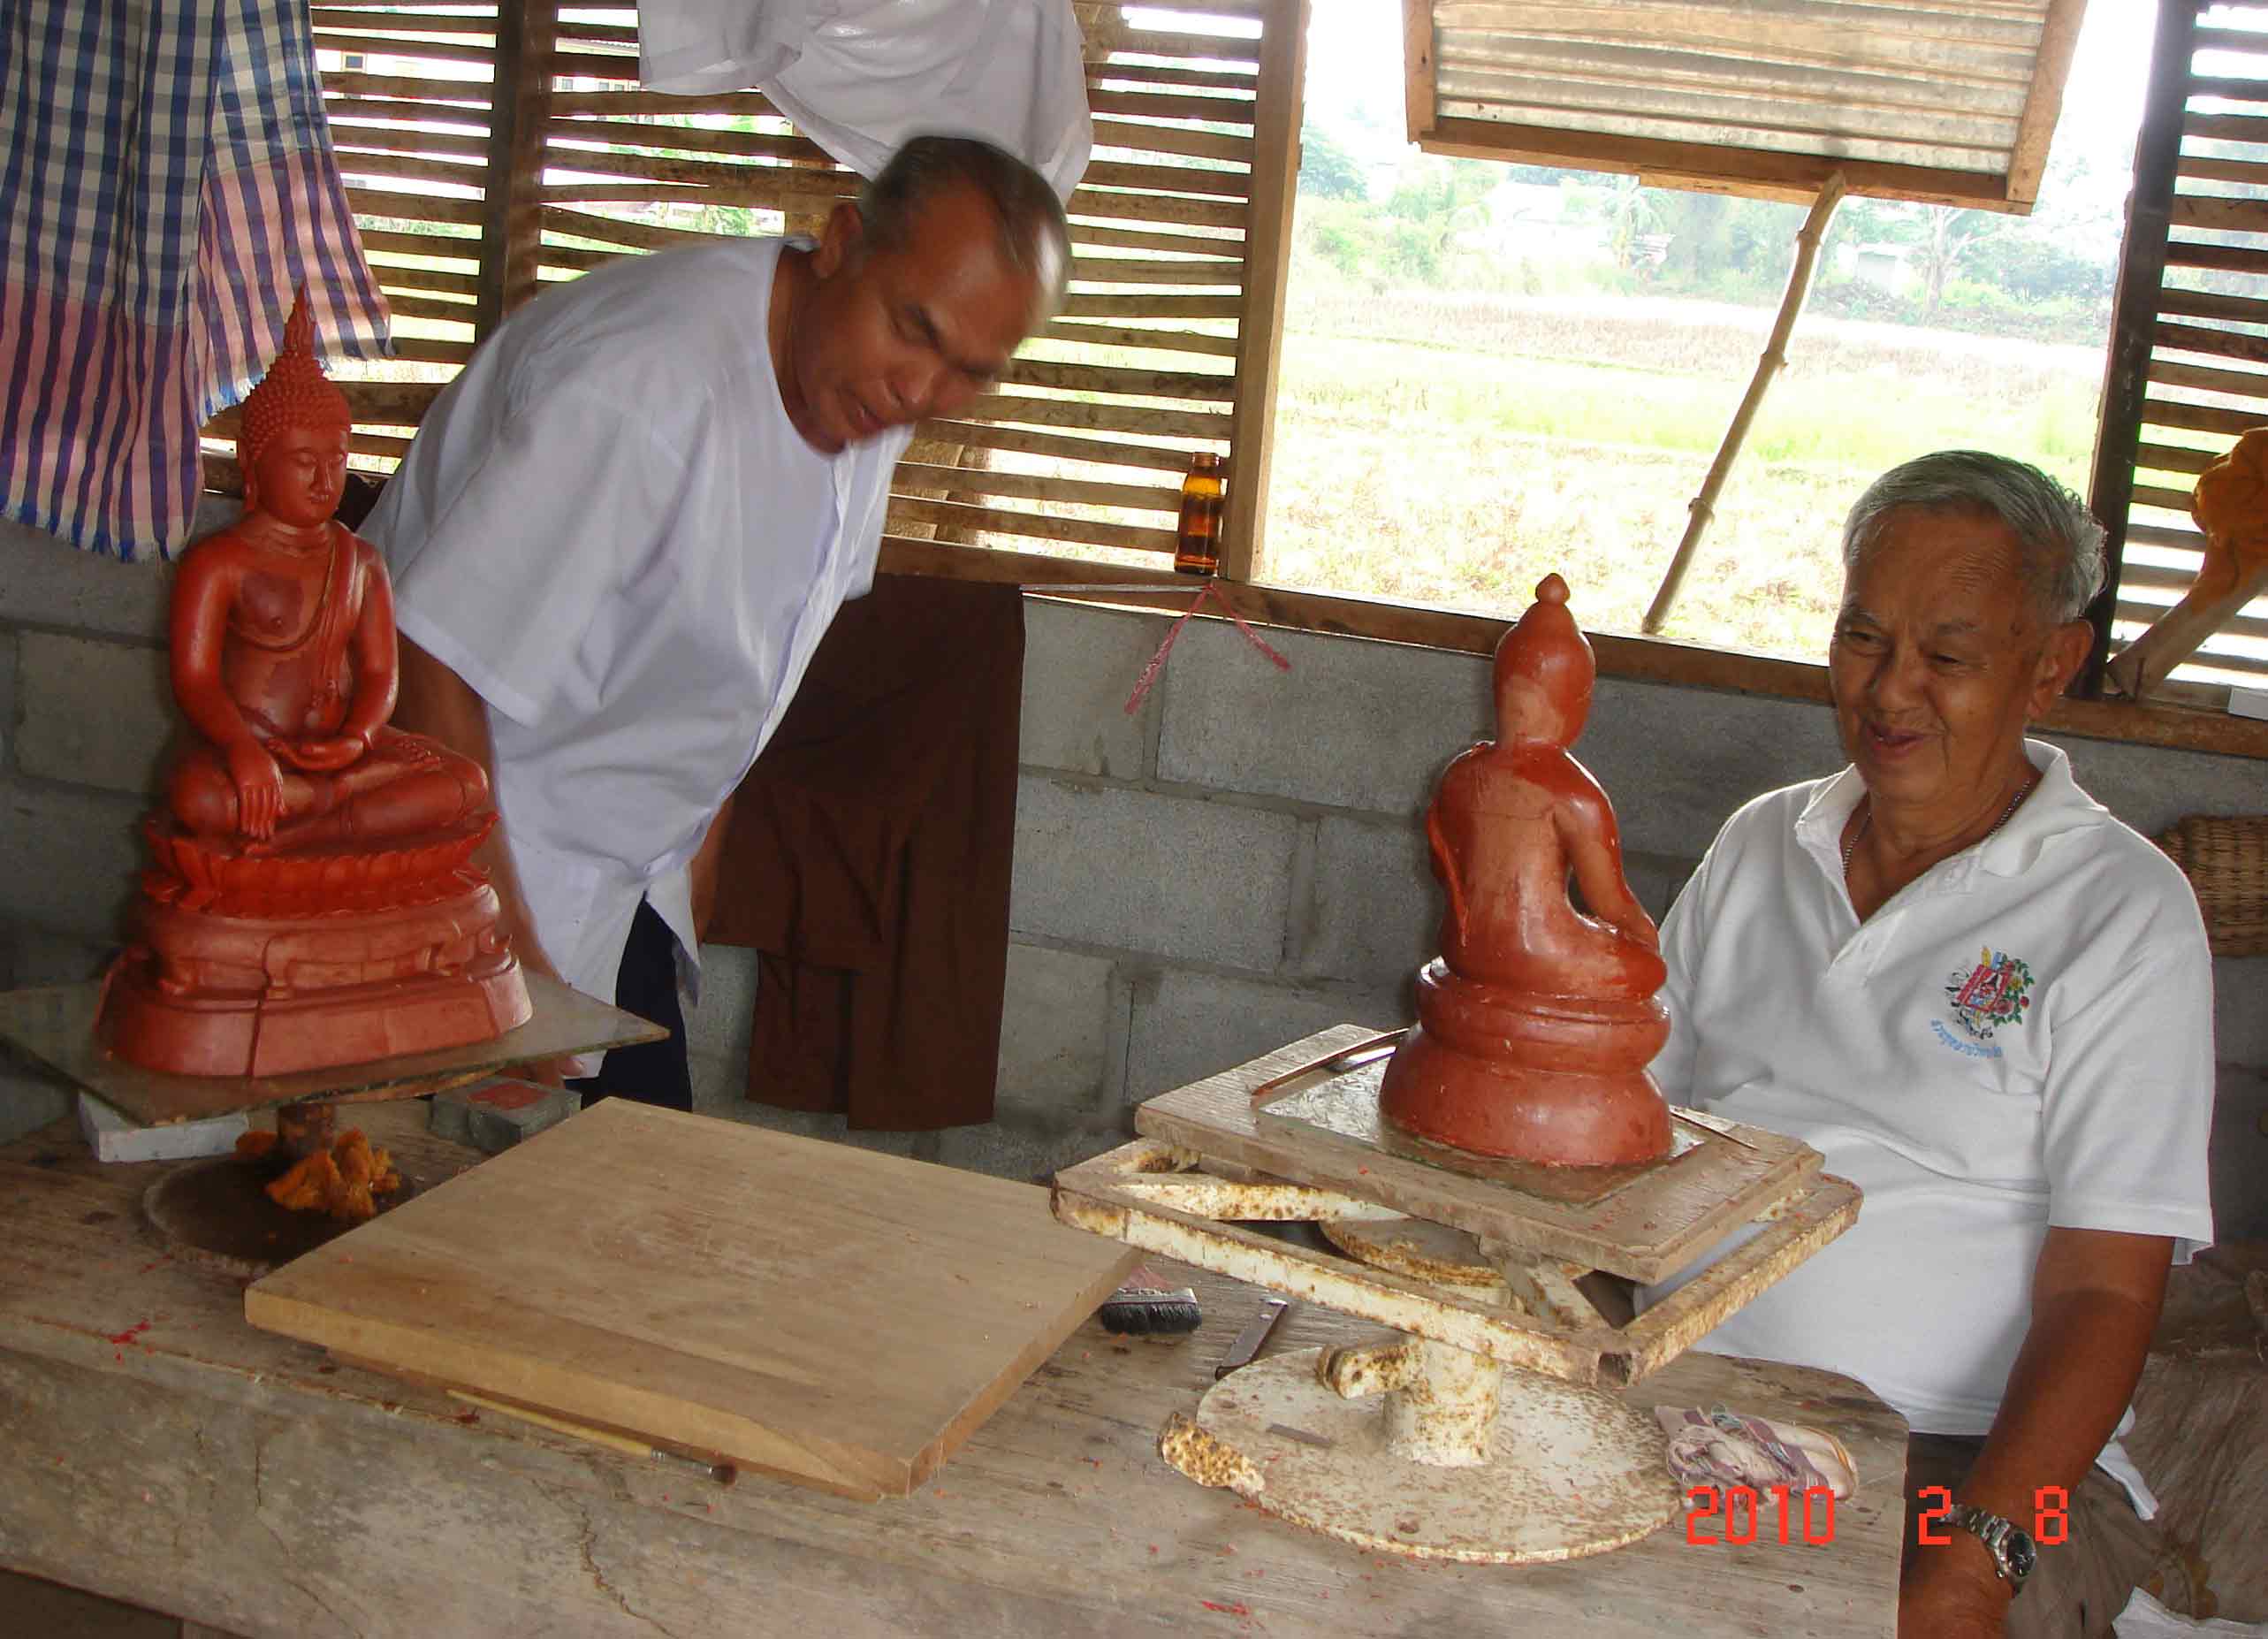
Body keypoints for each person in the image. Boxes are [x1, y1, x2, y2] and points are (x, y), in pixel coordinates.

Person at [360, 134, 1069, 1109]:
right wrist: (501, 969)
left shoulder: (859, 388)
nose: (923, 393)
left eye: (969, 371)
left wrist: (703, 844)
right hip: (461, 885)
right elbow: (428, 656)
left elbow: (773, 631)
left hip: (622, 891)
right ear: (842, 241)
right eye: (914, 328)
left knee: (635, 1218)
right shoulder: (640, 388)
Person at [1643, 451, 2215, 1638]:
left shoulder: (2119, 908)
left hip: (1966, 1463)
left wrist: (1977, 1560)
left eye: (1946, 657)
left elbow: (2108, 1286)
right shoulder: (1761, 844)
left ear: (2049, 664)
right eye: (1863, 638)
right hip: (1689, 1404)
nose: (1889, 690)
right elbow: (1626, 1125)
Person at [168, 293, 489, 852]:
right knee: (199, 799)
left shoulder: (361, 562)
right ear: (253, 463)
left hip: (340, 759)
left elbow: (380, 672)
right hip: (252, 755)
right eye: (302, 462)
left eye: (337, 460)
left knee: (465, 783)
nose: (324, 480)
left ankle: (308, 820)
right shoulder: (219, 562)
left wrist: (357, 738)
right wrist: (243, 752)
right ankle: (321, 813)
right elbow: (195, 680)